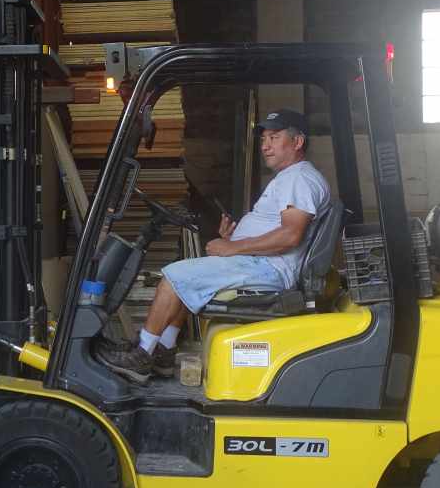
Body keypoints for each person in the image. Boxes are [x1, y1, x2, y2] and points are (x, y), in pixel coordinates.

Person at [96, 108, 330, 383]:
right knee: (189, 278)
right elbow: (279, 231)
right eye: (264, 138)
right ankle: (164, 352)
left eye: (275, 137)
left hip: (269, 269)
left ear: (297, 142)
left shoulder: (299, 178)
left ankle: (142, 355)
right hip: (261, 263)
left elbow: (290, 236)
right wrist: (234, 239)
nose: (265, 146)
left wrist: (234, 248)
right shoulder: (291, 177)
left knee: (173, 277)